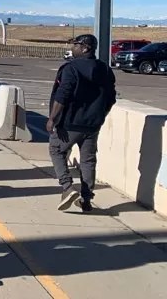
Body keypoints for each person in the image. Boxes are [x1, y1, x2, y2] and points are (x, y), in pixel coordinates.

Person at [47, 34, 116, 212]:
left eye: (76, 45)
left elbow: (63, 95)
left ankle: (67, 187)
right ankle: (86, 198)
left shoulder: (71, 69)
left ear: (85, 48)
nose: (72, 48)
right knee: (88, 160)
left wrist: (52, 118)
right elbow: (111, 98)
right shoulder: (105, 70)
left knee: (56, 150)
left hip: (70, 124)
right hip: (93, 125)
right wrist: (100, 115)